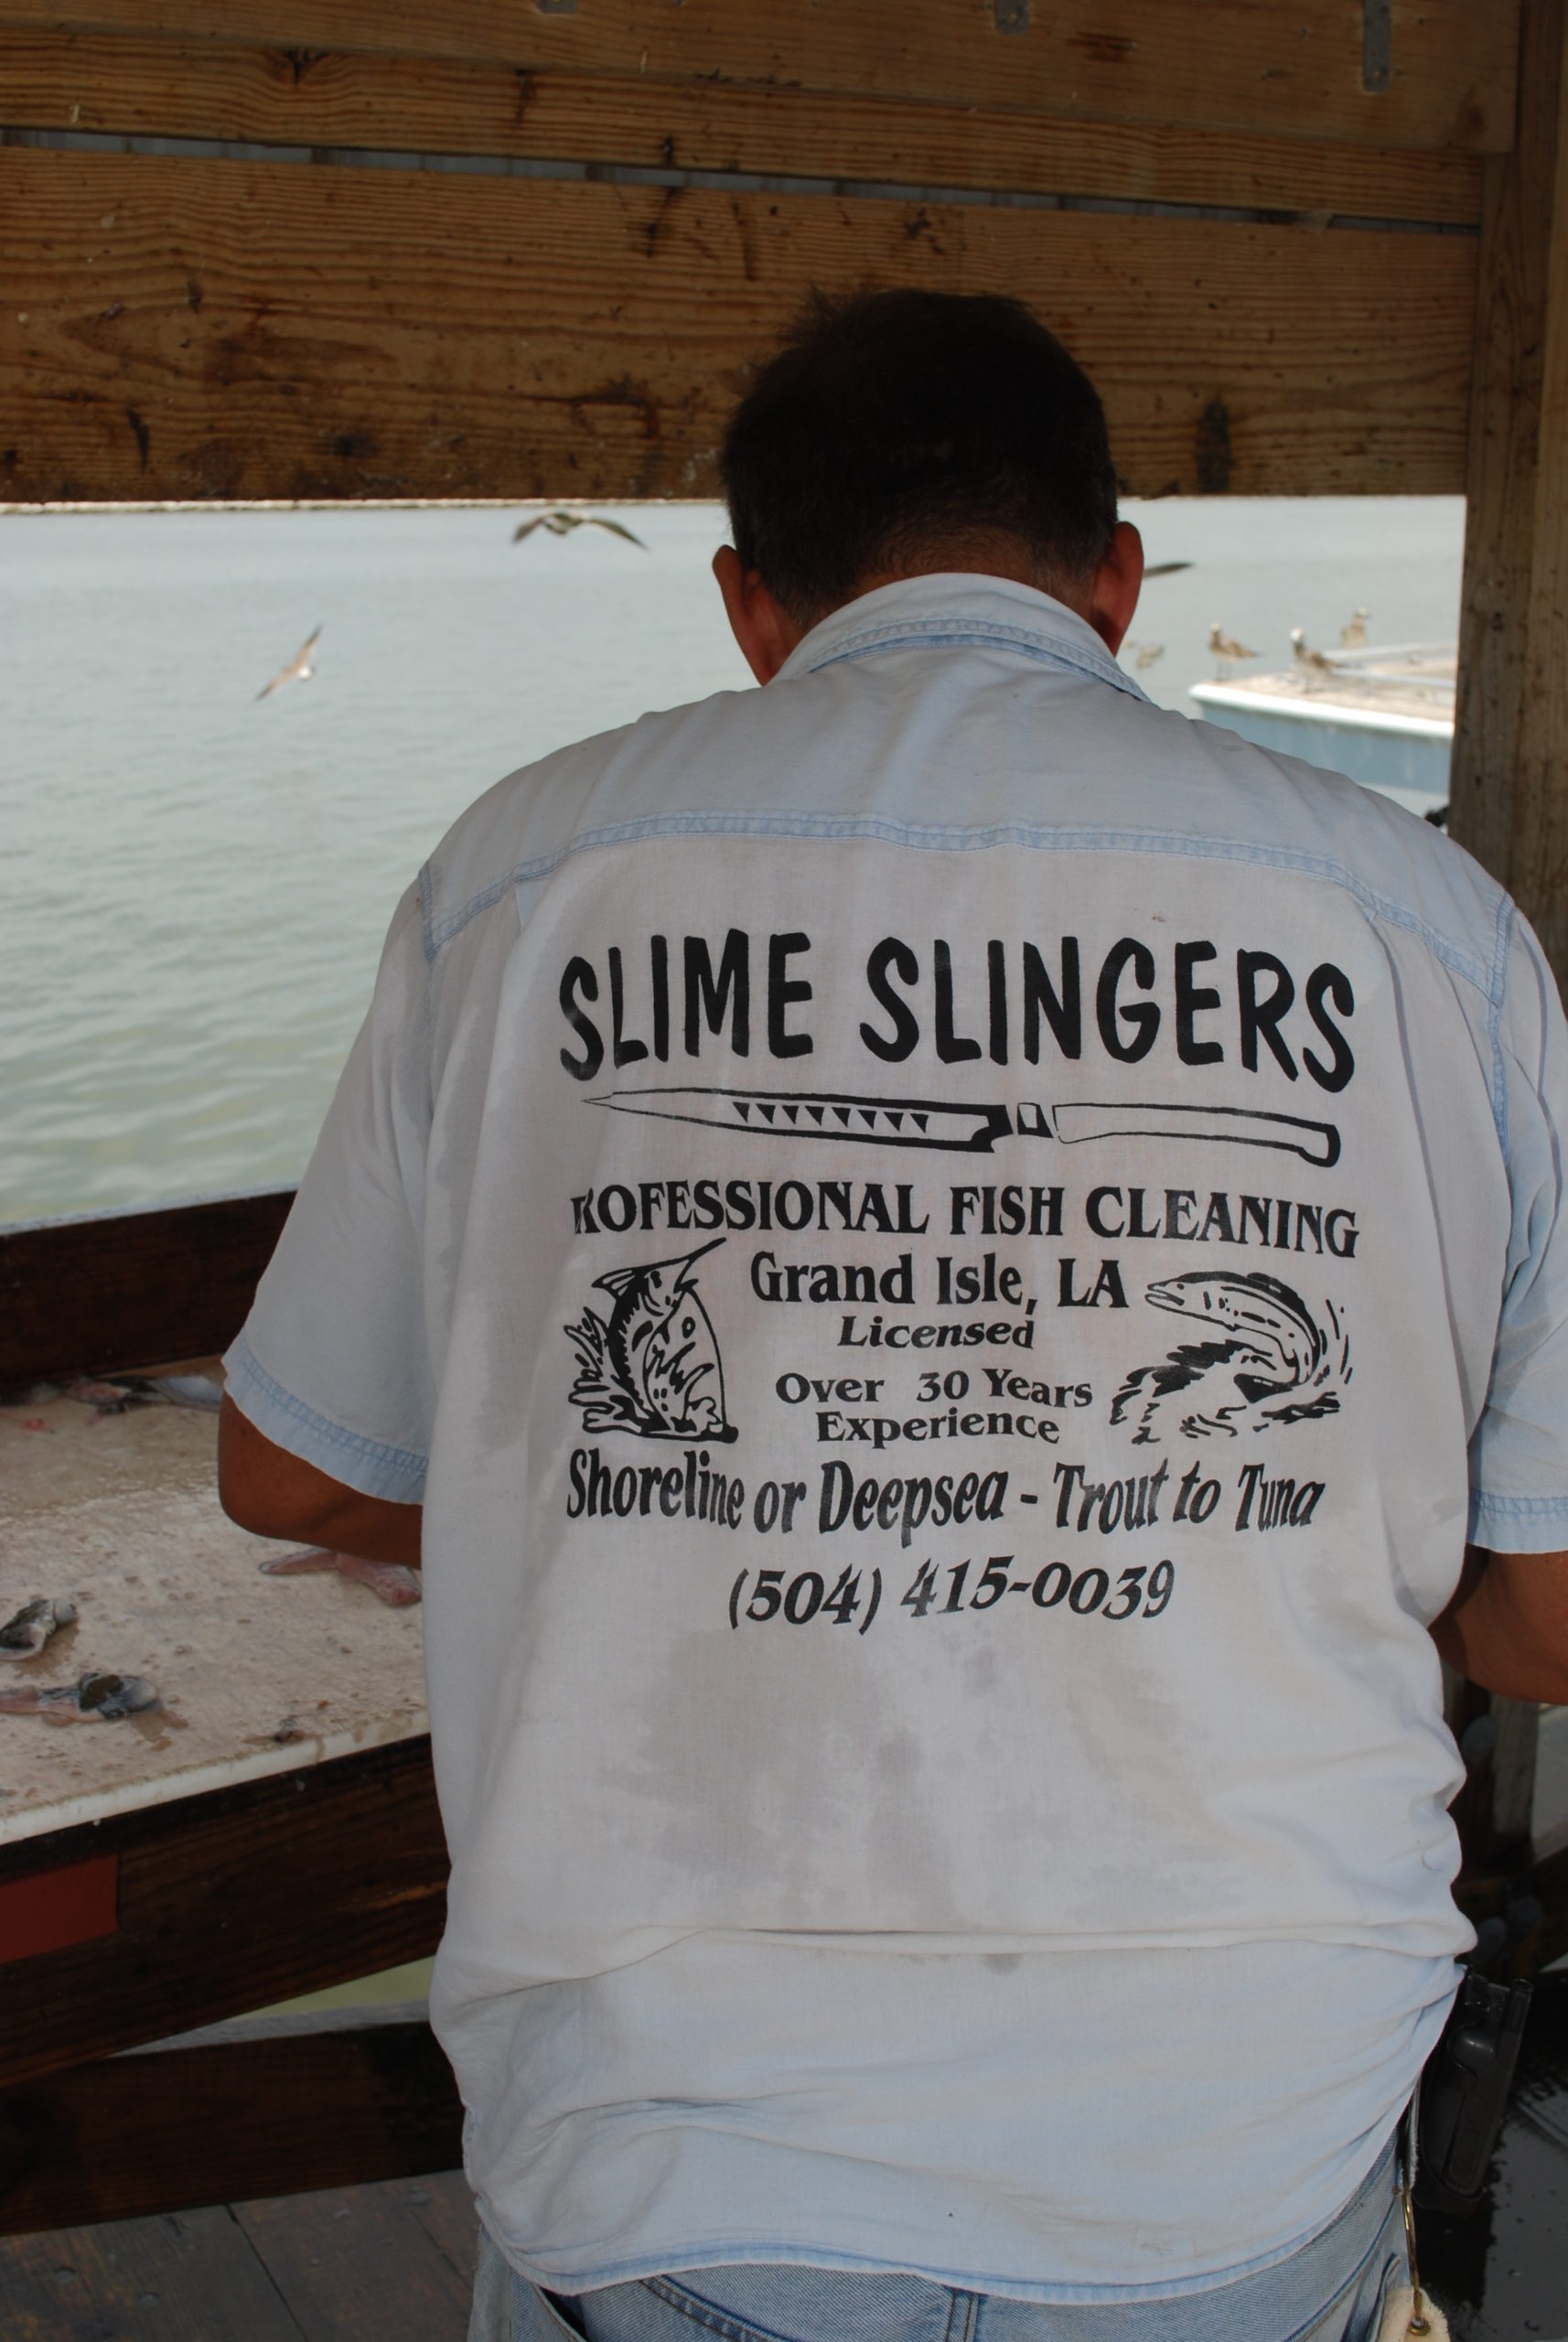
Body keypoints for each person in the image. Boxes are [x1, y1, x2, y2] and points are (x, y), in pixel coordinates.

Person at [219, 290, 1568, 2342]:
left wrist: (685, 1512)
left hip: (668, 2166)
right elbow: (1546, 1616)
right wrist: (1242, 1526)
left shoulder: (519, 877)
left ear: (748, 607)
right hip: (1226, 2153)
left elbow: (293, 1470)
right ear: (1115, 584)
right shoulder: (1432, 932)